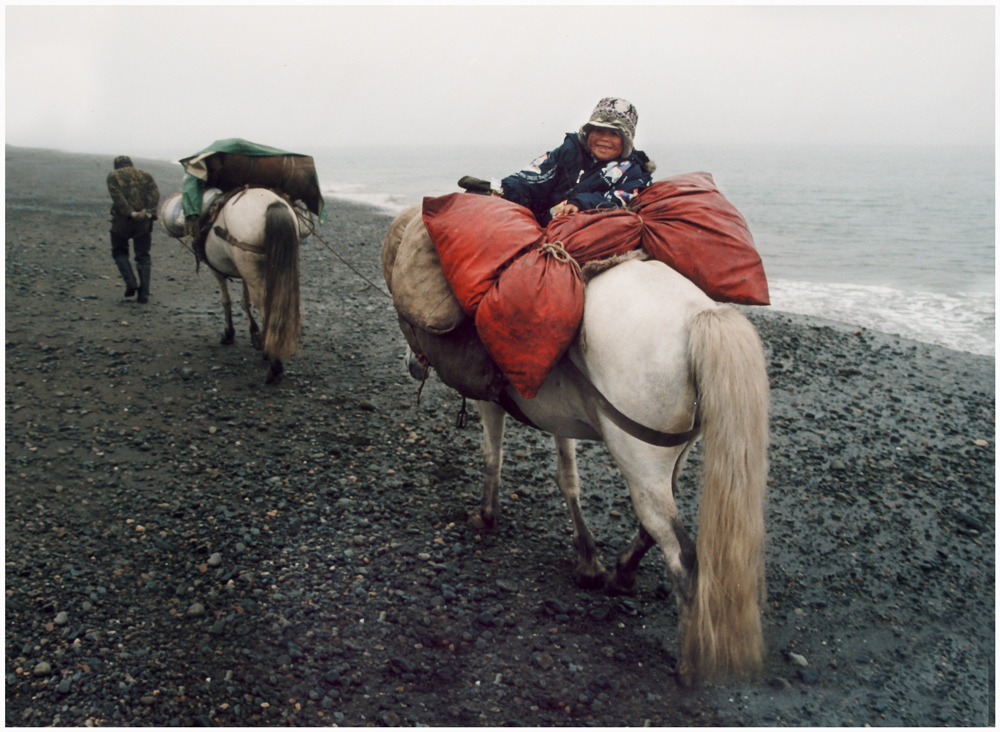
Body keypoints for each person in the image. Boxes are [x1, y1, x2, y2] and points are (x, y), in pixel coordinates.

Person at [495, 97, 655, 226]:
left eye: (614, 134)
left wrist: (580, 204)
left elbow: (622, 197)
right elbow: (536, 175)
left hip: (582, 230)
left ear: (627, 140)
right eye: (598, 130)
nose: (605, 139)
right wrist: (503, 190)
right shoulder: (569, 150)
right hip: (541, 221)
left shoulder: (633, 171)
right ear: (588, 133)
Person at [106, 155, 160, 303]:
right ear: (131, 164)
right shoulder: (146, 175)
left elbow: (118, 198)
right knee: (143, 255)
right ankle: (144, 294)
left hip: (122, 221)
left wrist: (130, 213)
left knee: (119, 250)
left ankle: (131, 282)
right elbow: (154, 194)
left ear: (117, 166)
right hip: (144, 221)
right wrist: (149, 212)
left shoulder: (113, 176)